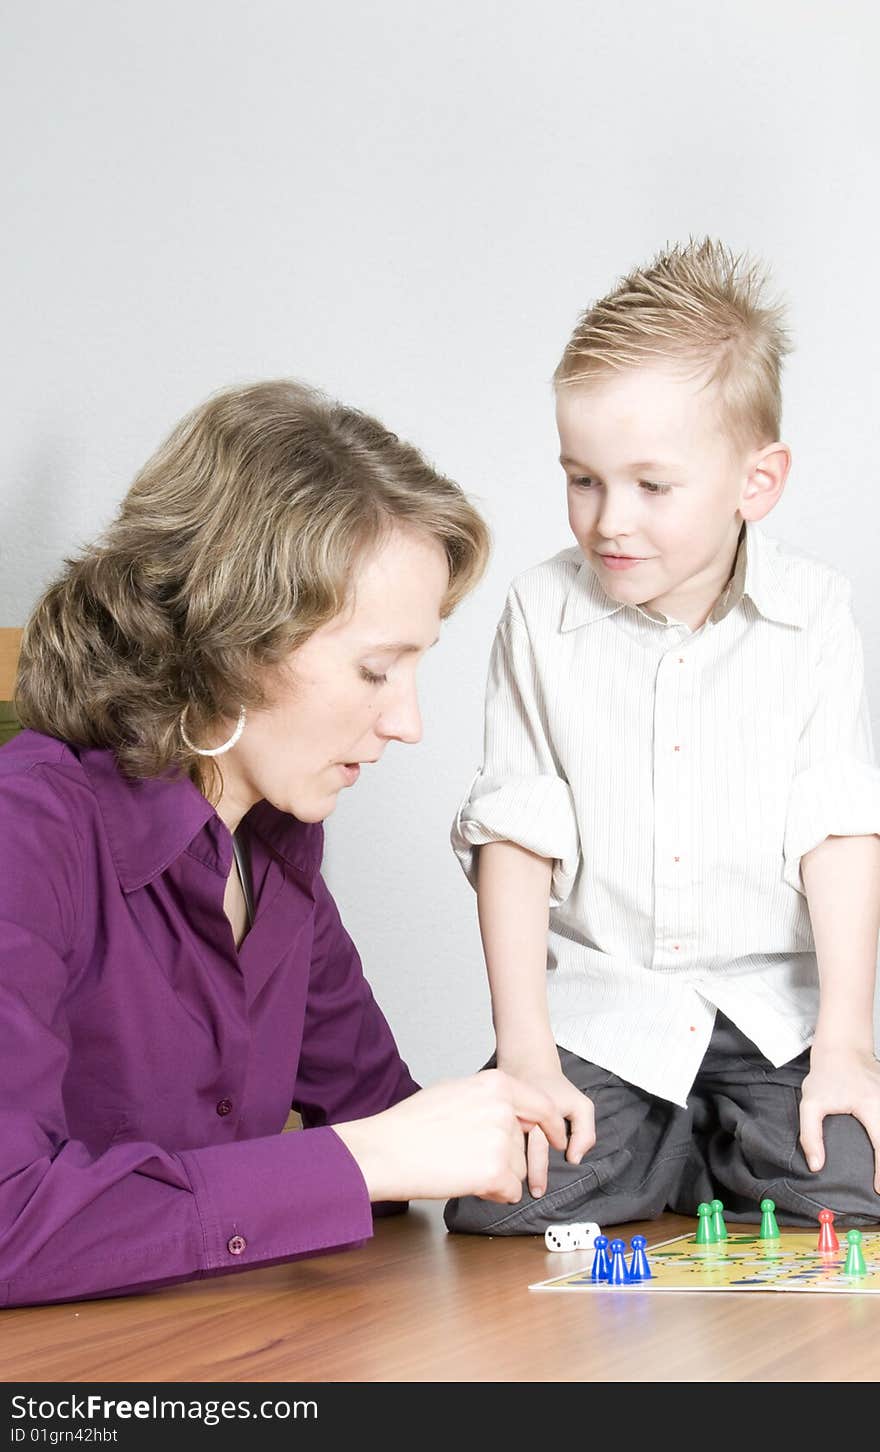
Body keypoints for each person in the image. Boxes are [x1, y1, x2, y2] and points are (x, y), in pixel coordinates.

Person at [0, 379, 566, 1307]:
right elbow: (7, 1219)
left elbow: (386, 1125)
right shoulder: (29, 831)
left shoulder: (276, 850)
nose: (409, 721)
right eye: (376, 669)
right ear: (233, 641)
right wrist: (361, 1158)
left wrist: (526, 1109)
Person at [445, 239, 880, 1236]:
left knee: (852, 1182)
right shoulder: (538, 614)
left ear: (754, 483)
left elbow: (838, 830)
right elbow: (514, 836)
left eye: (651, 485)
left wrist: (846, 1044)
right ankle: (669, 1147)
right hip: (608, 1019)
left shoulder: (814, 614)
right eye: (582, 479)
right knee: (499, 1198)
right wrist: (524, 1050)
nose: (608, 521)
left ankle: (704, 1141)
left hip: (770, 1022)